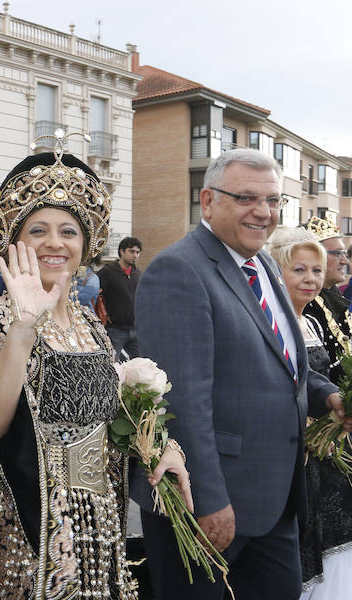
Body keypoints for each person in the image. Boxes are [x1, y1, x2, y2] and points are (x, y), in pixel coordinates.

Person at [0, 139, 190, 599]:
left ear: (86, 244)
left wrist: (159, 446)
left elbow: (109, 416)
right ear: (15, 242)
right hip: (27, 533)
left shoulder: (89, 324)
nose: (55, 242)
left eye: (68, 230)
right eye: (38, 230)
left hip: (97, 524)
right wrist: (24, 328)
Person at [134, 149, 351, 599]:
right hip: (211, 505)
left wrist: (329, 398)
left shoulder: (264, 264)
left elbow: (283, 366)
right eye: (247, 198)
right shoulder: (179, 270)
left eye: (273, 201)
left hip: (275, 501)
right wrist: (211, 503)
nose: (264, 212)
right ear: (209, 201)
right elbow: (183, 402)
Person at [264, 227, 352, 598]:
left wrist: (335, 403)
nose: (311, 279)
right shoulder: (267, 321)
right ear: (276, 272)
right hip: (293, 453)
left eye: (316, 270)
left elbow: (315, 376)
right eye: (299, 270)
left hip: (327, 452)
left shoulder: (312, 322)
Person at [302, 217, 352, 383]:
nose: (345, 261)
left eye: (344, 254)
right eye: (338, 253)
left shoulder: (335, 297)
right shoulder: (304, 305)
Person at [97, 236, 142, 360]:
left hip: (135, 330)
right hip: (115, 330)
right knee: (112, 365)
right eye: (131, 251)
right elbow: (95, 293)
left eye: (137, 252)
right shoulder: (108, 272)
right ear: (122, 252)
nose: (135, 255)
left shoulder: (138, 273)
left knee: (141, 365)